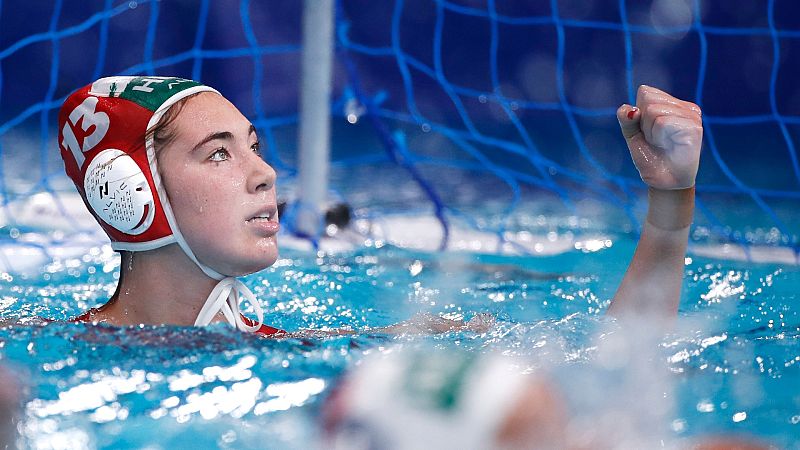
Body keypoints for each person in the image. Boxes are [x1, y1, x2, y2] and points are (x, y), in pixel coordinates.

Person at [58, 76, 701, 336]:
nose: (265, 174)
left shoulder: (302, 348)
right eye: (219, 153)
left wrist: (671, 202)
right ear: (129, 192)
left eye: (255, 146)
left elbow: (614, 360)